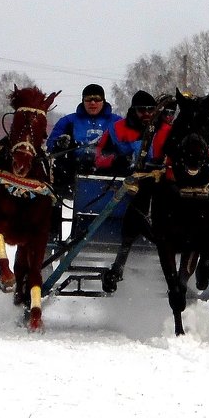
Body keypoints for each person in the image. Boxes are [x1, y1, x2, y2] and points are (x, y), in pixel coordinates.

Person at [94, 90, 172, 290]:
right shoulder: (117, 129)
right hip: (127, 183)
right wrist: (116, 160)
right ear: (132, 111)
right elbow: (99, 156)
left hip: (159, 184)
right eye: (141, 110)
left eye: (150, 110)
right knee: (137, 207)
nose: (146, 114)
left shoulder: (166, 130)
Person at [46, 83, 121, 238]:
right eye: (88, 99)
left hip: (108, 175)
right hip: (72, 174)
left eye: (96, 99)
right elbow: (51, 144)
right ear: (83, 101)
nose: (92, 103)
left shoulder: (117, 122)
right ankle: (52, 235)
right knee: (50, 197)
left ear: (103, 101)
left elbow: (129, 145)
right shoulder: (68, 121)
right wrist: (60, 143)